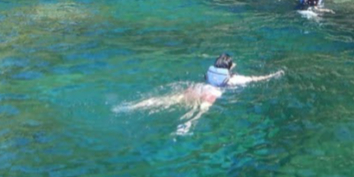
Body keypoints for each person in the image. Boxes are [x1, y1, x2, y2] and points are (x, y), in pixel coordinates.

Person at [117, 54, 284, 135]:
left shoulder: (209, 72)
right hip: (211, 93)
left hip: (197, 88)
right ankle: (187, 125)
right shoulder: (233, 79)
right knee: (199, 112)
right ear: (229, 66)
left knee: (167, 99)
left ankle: (134, 106)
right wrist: (274, 75)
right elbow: (255, 79)